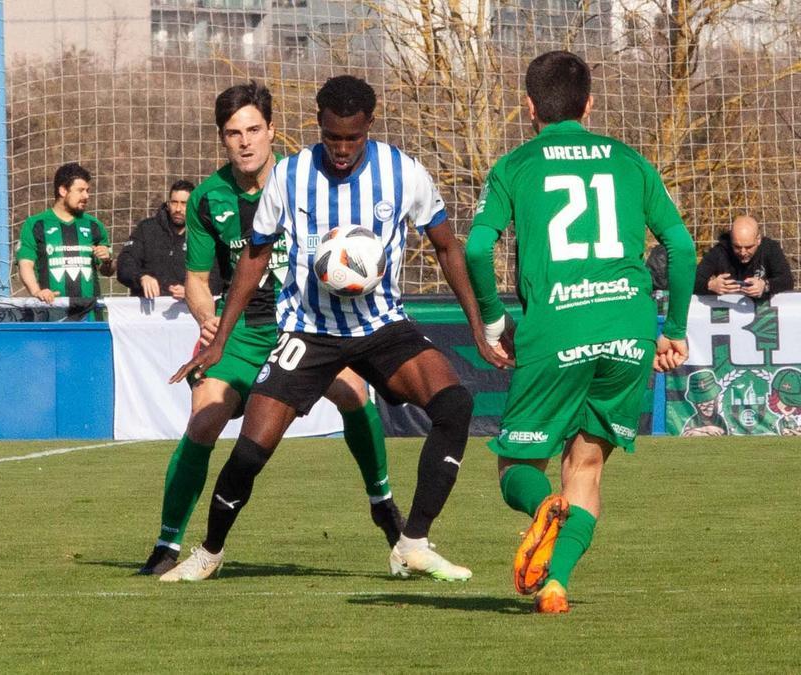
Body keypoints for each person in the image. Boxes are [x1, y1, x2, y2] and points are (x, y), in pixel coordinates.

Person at [161, 75, 504, 582]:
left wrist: (479, 326)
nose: (342, 150)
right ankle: (209, 552)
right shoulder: (291, 176)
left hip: (382, 324)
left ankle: (412, 541)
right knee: (251, 451)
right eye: (332, 138)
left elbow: (448, 247)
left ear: (370, 125)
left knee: (455, 405)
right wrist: (219, 341)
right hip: (308, 329)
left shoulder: (403, 173)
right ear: (317, 124)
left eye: (353, 138)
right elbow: (255, 257)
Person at [139, 82, 410, 577]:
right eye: (232, 133)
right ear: (222, 139)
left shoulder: (309, 177)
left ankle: (385, 508)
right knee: (203, 420)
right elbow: (198, 280)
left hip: (309, 327)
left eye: (253, 130)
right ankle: (166, 544)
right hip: (245, 332)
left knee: (354, 393)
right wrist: (207, 318)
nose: (244, 142)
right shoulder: (207, 198)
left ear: (272, 131)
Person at [464, 50, 696, 613]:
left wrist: (495, 321)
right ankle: (556, 584)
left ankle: (544, 508)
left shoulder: (515, 166)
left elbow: (475, 248)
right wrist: (675, 328)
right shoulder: (630, 161)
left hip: (556, 327)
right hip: (628, 327)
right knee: (586, 468)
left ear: (528, 107)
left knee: (517, 467)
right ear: (588, 104)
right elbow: (682, 248)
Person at [17, 162, 113, 318]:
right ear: (62, 190)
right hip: (51, 312)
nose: (86, 196)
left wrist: (108, 260)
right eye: (81, 190)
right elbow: (25, 264)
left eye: (87, 191)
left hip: (90, 315)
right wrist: (37, 291)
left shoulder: (94, 225)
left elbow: (107, 272)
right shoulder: (36, 224)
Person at [117, 180, 220, 299]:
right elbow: (125, 264)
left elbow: (218, 278)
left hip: (190, 312)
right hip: (148, 313)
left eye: (184, 203)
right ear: (167, 204)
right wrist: (141, 277)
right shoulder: (146, 229)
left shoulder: (205, 234)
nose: (178, 209)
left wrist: (192, 291)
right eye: (174, 202)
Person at [694, 215, 794, 299]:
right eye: (737, 247)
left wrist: (765, 285)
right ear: (731, 239)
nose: (743, 252)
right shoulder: (720, 251)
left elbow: (787, 280)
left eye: (748, 247)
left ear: (758, 240)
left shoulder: (770, 249)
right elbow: (692, 281)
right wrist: (710, 285)